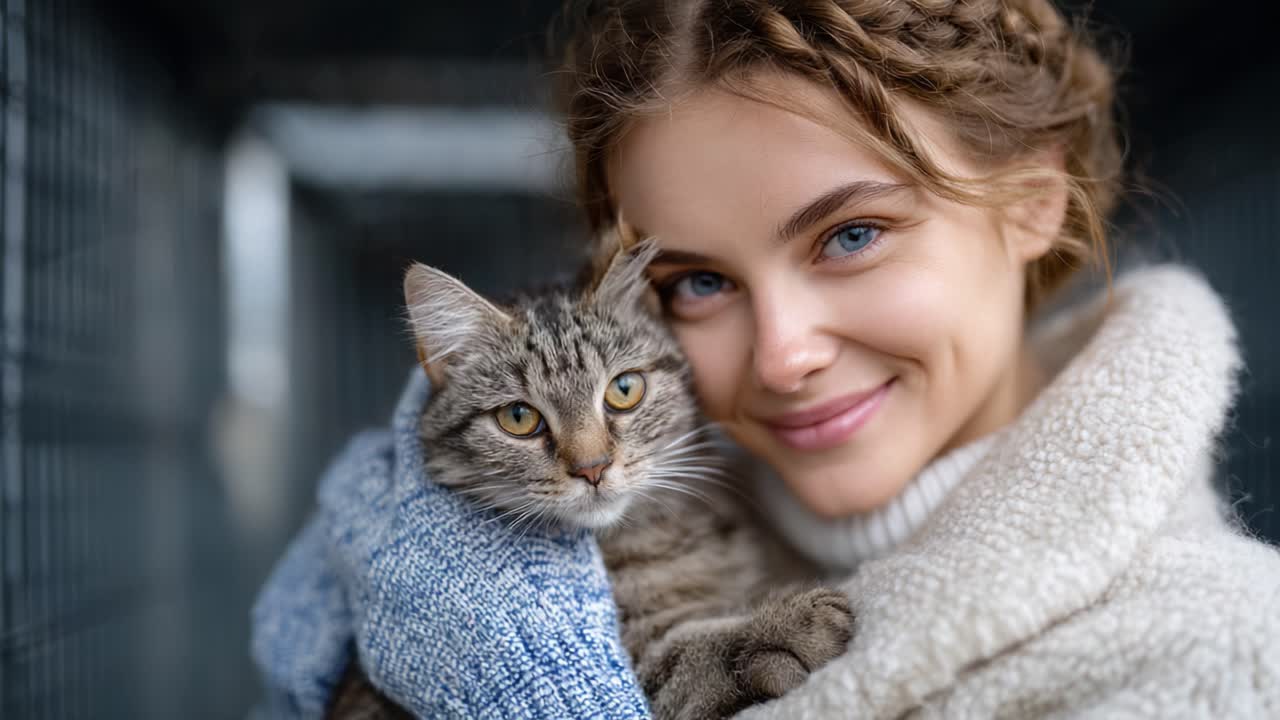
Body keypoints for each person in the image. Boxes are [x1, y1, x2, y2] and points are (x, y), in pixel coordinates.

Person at [252, 0, 1280, 717]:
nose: (782, 359)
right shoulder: (611, 510)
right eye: (697, 283)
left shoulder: (1226, 657)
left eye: (850, 236)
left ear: (1028, 203)